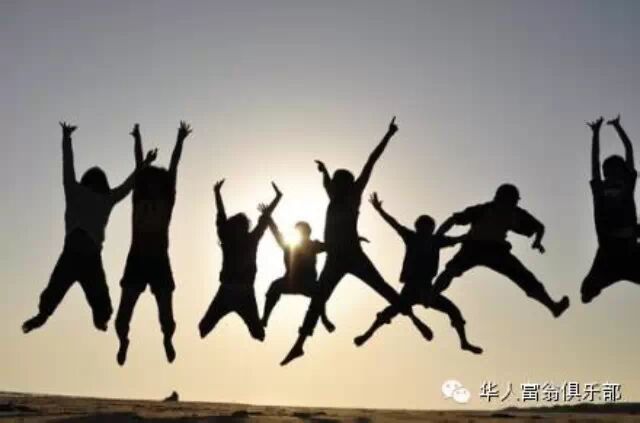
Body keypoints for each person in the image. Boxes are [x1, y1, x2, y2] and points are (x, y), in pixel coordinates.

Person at [281, 117, 432, 366]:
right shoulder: (334, 196)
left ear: (347, 184)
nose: (333, 186)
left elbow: (371, 161)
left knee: (382, 288)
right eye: (334, 183)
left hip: (353, 254)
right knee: (319, 299)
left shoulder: (353, 195)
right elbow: (326, 182)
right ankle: (299, 345)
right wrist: (324, 171)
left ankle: (414, 319)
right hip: (334, 258)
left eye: (338, 182)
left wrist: (388, 135)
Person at [23, 122, 156, 334]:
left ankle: (54, 314)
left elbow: (126, 184)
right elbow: (127, 184)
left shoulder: (84, 193)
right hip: (85, 254)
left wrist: (67, 139)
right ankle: (52, 314)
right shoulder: (96, 196)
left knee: (69, 290)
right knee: (67, 291)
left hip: (80, 253)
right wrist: (66, 139)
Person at [354, 193, 483, 354]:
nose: (426, 230)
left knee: (452, 310)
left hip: (428, 289)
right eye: (424, 227)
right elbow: (394, 224)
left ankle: (464, 342)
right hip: (411, 287)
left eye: (429, 228)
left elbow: (459, 239)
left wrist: (474, 234)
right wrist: (380, 210)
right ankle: (368, 333)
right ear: (418, 228)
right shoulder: (412, 237)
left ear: (432, 229)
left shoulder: (436, 241)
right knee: (392, 311)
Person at [115, 121, 192, 366]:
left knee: (166, 315)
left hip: (159, 260)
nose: (152, 185)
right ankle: (123, 341)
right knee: (122, 317)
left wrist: (180, 140)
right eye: (149, 182)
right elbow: (139, 164)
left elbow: (174, 165)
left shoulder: (168, 199)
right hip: (137, 259)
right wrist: (137, 138)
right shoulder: (138, 197)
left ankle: (167, 338)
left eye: (156, 183)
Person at [430, 184, 570, 318]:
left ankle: (553, 307)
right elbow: (453, 220)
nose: (513, 204)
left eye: (514, 202)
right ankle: (431, 296)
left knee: (525, 277)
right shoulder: (483, 209)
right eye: (511, 201)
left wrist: (537, 241)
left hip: (496, 251)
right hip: (473, 247)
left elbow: (540, 227)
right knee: (450, 271)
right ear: (500, 198)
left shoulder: (516, 212)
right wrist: (437, 236)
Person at [199, 180, 282, 341]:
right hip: (227, 291)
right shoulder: (227, 240)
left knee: (259, 334)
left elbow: (264, 220)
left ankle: (257, 330)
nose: (238, 231)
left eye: (241, 227)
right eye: (236, 228)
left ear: (244, 228)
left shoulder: (251, 240)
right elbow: (221, 216)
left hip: (245, 293)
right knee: (203, 328)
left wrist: (277, 198)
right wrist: (217, 194)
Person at [582, 115, 639, 303]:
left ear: (622, 172)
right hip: (608, 253)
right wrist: (595, 133)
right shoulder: (600, 189)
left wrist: (618, 127)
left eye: (617, 171)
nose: (612, 176)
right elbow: (595, 162)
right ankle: (592, 288)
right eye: (609, 172)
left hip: (631, 250)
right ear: (605, 174)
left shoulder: (627, 184)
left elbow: (629, 149)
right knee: (586, 292)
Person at [260, 218, 336, 332]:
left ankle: (324, 318)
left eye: (305, 232)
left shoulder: (313, 245)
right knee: (274, 286)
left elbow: (331, 245)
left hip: (308, 283)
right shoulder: (289, 246)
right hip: (291, 282)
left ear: (308, 233)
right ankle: (265, 318)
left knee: (320, 290)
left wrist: (349, 240)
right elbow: (276, 233)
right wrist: (269, 220)